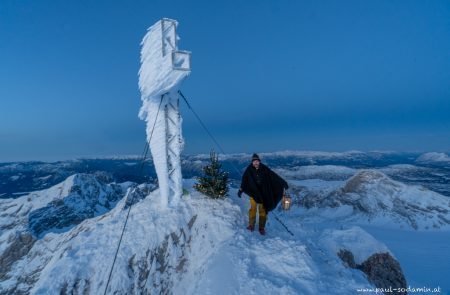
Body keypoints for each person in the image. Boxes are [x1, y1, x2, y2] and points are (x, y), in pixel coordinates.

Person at [238, 153, 288, 235]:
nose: (256, 163)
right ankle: (251, 225)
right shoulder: (249, 169)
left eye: (257, 161)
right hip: (253, 193)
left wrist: (283, 183)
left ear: (259, 161)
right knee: (253, 209)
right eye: (254, 161)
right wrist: (241, 189)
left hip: (263, 194)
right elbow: (244, 180)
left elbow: (274, 176)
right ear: (252, 162)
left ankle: (261, 227)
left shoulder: (264, 169)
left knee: (262, 210)